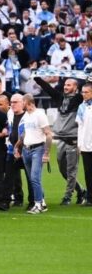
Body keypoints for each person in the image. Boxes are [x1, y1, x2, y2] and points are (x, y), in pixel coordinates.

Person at [33, 76, 85, 205]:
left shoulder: (80, 99)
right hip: (60, 138)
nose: (66, 87)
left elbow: (87, 86)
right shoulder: (60, 98)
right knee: (63, 170)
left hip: (73, 138)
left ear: (76, 87)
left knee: (71, 170)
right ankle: (80, 190)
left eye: (69, 85)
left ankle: (67, 196)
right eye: (65, 85)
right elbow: (49, 89)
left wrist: (87, 78)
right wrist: (38, 79)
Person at [15, 93, 53, 214]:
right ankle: (42, 202)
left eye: (22, 102)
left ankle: (38, 204)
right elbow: (26, 132)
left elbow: (48, 134)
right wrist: (18, 144)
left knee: (34, 178)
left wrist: (46, 153)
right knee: (34, 179)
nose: (21, 104)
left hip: (38, 149)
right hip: (26, 149)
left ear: (28, 102)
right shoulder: (26, 115)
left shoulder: (40, 115)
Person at [76, 84, 92, 206]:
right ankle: (90, 198)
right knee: (88, 172)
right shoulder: (81, 107)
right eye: (82, 92)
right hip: (86, 146)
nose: (83, 94)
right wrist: (79, 144)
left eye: (86, 92)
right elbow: (80, 127)